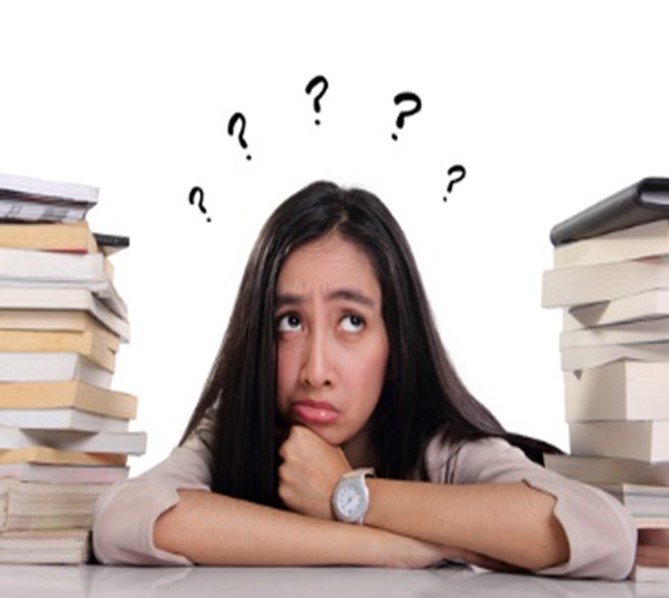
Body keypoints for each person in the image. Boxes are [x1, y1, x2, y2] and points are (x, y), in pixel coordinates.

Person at [92, 181, 636, 578]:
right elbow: (124, 519)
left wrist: (349, 496)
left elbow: (604, 533)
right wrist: (378, 545)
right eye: (290, 322)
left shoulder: (438, 448)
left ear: (394, 342)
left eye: (352, 321)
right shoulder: (237, 426)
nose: (315, 371)